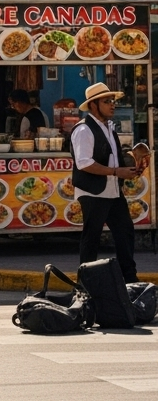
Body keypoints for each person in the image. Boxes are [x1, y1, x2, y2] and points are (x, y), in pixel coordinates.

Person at [69, 82, 141, 281]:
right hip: (93, 191)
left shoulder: (109, 127)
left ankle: (130, 278)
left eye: (113, 101)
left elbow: (112, 157)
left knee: (125, 232)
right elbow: (84, 163)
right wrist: (117, 171)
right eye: (107, 101)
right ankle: (86, 282)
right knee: (92, 237)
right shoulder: (83, 130)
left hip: (112, 190)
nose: (112, 105)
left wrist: (132, 163)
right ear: (93, 105)